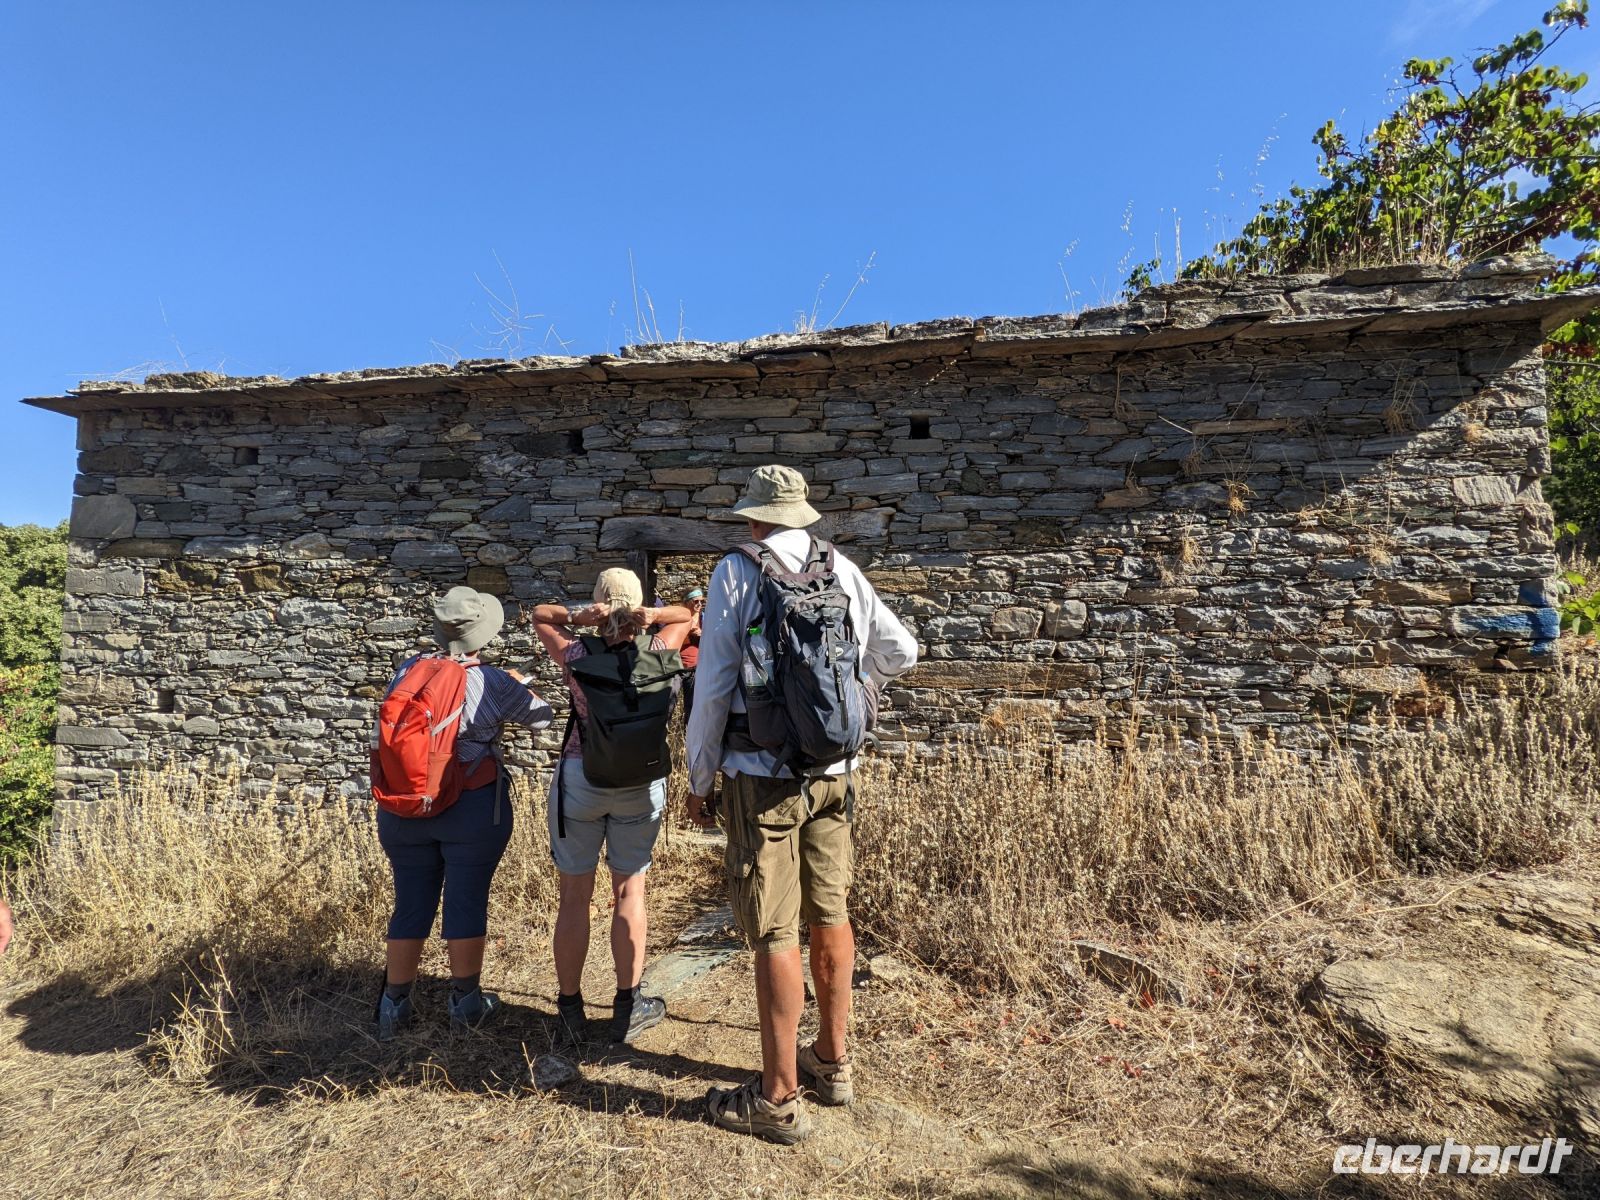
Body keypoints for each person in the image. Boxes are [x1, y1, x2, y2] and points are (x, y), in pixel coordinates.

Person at [685, 464, 918, 1144]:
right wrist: (854, 698)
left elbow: (712, 687)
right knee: (831, 912)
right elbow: (902, 651)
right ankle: (833, 1063)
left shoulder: (736, 572)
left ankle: (778, 1097)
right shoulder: (841, 568)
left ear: (755, 518)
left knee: (775, 932)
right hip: (836, 770)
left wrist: (700, 779)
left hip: (762, 775)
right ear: (803, 515)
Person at [373, 586, 554, 1041]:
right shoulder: (493, 681)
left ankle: (393, 1005)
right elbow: (543, 717)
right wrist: (519, 685)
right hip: (471, 803)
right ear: (483, 634)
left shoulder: (407, 671)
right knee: (466, 897)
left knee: (410, 901)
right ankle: (466, 1001)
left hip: (406, 806)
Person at [532, 570, 693, 1043]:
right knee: (630, 894)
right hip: (640, 784)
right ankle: (627, 1005)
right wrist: (656, 615)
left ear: (599, 605)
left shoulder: (577, 655)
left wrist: (579, 615)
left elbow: (541, 615)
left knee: (574, 898)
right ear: (640, 608)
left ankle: (569, 1009)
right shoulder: (661, 651)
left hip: (581, 780)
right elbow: (686, 615)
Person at [657, 586, 705, 720]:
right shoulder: (677, 619)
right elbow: (667, 641)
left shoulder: (705, 619)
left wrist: (703, 634)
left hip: (696, 668)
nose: (699, 604)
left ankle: (688, 737)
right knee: (668, 705)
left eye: (701, 601)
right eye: (695, 601)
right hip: (676, 668)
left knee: (693, 708)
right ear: (686, 601)